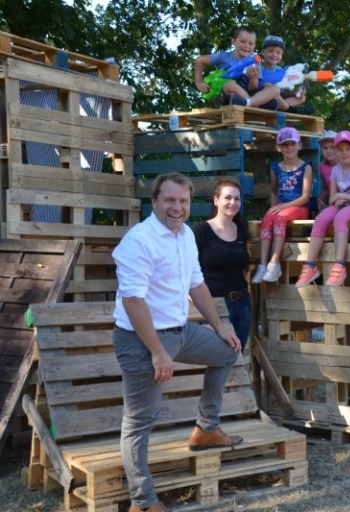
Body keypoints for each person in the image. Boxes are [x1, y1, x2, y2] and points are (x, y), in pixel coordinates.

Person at [112, 173, 243, 512]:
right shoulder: (138, 241)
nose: (177, 207)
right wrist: (157, 352)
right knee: (139, 421)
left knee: (227, 352)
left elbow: (197, 284)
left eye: (183, 201)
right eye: (169, 200)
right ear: (154, 201)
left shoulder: (185, 234)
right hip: (141, 340)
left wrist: (219, 327)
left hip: (180, 331)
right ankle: (142, 502)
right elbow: (133, 301)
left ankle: (206, 429)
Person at [295, 130, 350, 288]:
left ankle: (339, 265)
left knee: (340, 217)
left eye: (348, 149)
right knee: (321, 218)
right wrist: (337, 200)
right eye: (340, 149)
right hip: (343, 204)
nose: (344, 153)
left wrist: (342, 196)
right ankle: (310, 265)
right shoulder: (336, 170)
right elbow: (332, 198)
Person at [192, 179, 252, 344]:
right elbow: (186, 265)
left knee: (236, 359)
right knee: (216, 356)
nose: (233, 202)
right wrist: (186, 292)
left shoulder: (241, 229)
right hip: (214, 304)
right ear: (216, 200)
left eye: (237, 198)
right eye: (228, 198)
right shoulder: (201, 229)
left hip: (243, 304)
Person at [252, 127, 313, 283]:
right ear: (279, 148)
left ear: (299, 145)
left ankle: (274, 262)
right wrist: (272, 209)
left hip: (299, 207)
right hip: (281, 208)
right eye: (285, 145)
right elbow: (274, 192)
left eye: (293, 144)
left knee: (279, 219)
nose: (289, 148)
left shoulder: (306, 167)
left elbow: (306, 197)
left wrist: (281, 208)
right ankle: (263, 264)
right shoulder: (276, 168)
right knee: (267, 220)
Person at [194, 25, 283, 109]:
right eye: (243, 41)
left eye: (250, 43)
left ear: (254, 46)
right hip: (228, 94)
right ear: (233, 41)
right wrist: (199, 82)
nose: (246, 46)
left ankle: (249, 103)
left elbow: (252, 88)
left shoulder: (255, 63)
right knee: (231, 84)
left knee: (275, 89)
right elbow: (200, 60)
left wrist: (253, 78)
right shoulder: (225, 56)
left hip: (246, 96)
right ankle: (255, 106)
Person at [259, 35, 315, 115]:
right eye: (270, 51)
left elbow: (282, 93)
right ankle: (290, 110)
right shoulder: (258, 67)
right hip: (262, 99)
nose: (274, 54)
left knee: (301, 98)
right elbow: (255, 88)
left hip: (277, 101)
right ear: (263, 52)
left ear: (281, 55)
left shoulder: (280, 70)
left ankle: (281, 108)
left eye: (278, 52)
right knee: (268, 85)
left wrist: (293, 92)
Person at [316, 130, 338, 212]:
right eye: (325, 148)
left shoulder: (344, 165)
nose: (328, 151)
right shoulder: (322, 167)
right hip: (333, 201)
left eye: (332, 147)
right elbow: (326, 188)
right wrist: (320, 198)